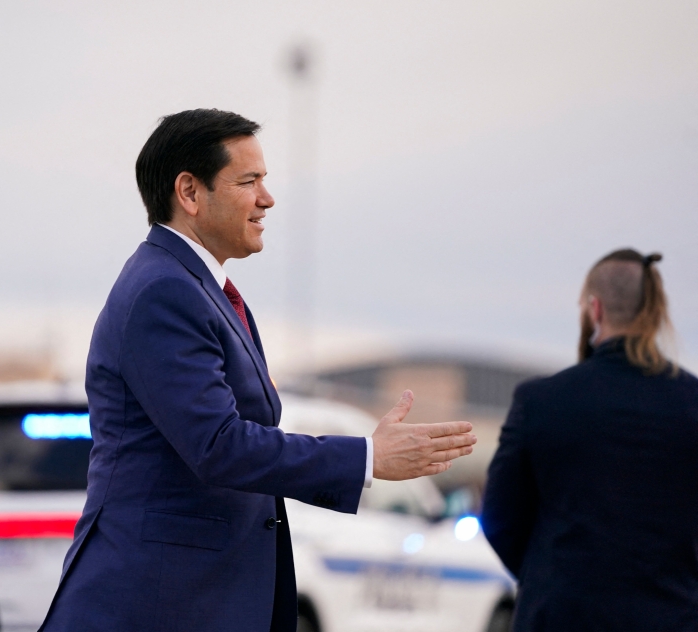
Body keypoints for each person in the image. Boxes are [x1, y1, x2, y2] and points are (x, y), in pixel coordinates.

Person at [39, 109, 477, 632]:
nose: (267, 199)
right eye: (249, 181)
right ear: (189, 192)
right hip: (158, 602)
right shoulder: (166, 291)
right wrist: (366, 457)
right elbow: (219, 445)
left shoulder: (198, 288)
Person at [482, 249, 698, 631]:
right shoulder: (691, 403)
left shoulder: (541, 400)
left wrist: (546, 574)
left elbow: (499, 518)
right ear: (656, 309)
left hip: (561, 613)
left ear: (594, 309)